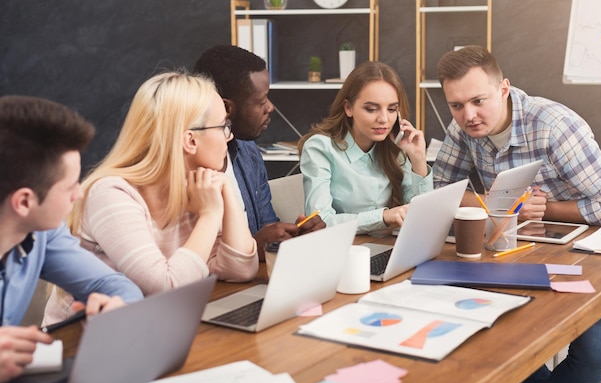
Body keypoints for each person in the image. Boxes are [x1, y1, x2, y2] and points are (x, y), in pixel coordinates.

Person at [433, 45, 601, 383]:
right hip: (519, 253)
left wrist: (547, 208)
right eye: (456, 105)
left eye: (478, 100)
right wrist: (497, 201)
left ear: (504, 89)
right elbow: (442, 191)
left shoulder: (553, 125)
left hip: (593, 257)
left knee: (594, 357)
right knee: (501, 336)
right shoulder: (464, 129)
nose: (468, 115)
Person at [43, 71, 258, 325]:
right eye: (223, 126)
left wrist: (226, 190)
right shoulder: (111, 194)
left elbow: (241, 270)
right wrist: (210, 215)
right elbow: (166, 286)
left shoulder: (197, 187)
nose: (229, 136)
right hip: (80, 341)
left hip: (151, 326)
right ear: (190, 140)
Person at [0, 95, 144, 383]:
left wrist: (116, 308)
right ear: (25, 201)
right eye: (69, 187)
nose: (79, 194)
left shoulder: (43, 233)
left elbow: (115, 286)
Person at [193, 45, 325, 260]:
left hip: (254, 279)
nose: (270, 107)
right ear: (226, 108)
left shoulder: (248, 153)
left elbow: (267, 226)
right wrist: (253, 246)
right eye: (261, 101)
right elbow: (187, 264)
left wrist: (294, 236)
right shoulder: (185, 166)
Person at [298, 61, 433, 234]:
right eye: (371, 109)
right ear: (348, 108)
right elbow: (320, 221)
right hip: (341, 251)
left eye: (392, 109)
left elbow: (422, 215)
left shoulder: (394, 147)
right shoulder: (320, 148)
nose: (384, 119)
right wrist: (383, 217)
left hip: (384, 247)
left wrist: (418, 159)